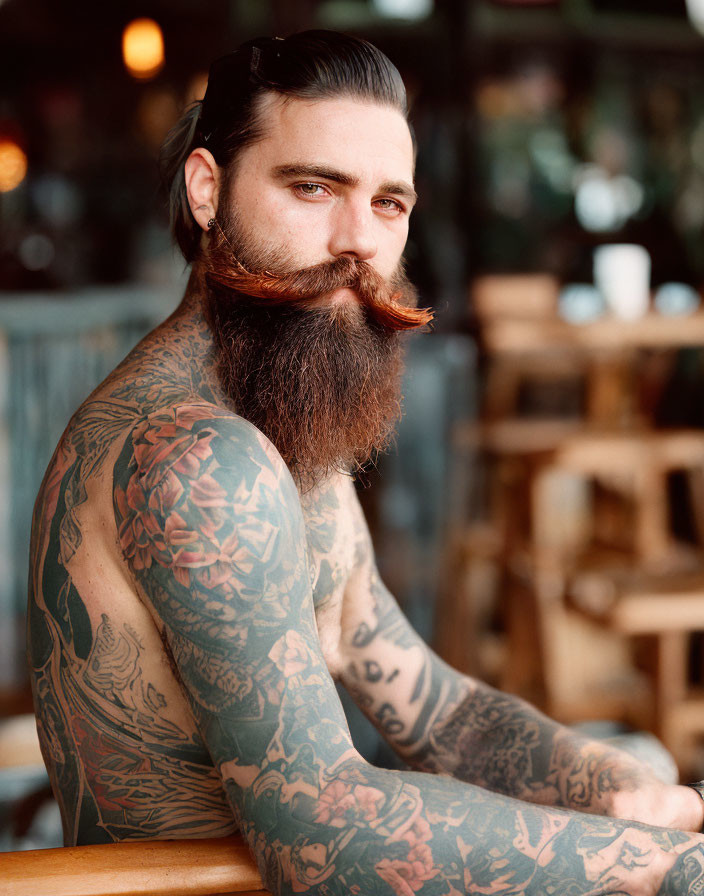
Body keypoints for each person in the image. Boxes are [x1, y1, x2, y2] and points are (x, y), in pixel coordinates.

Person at [26, 29, 704, 894]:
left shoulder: (275, 424)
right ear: (208, 191)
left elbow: (441, 709)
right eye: (314, 188)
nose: (359, 242)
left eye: (390, 204)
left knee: (637, 766)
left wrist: (625, 794)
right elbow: (325, 833)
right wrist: (669, 868)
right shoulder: (197, 459)